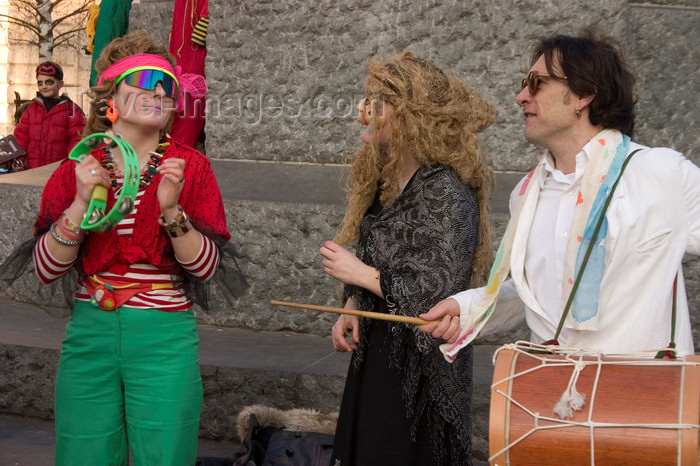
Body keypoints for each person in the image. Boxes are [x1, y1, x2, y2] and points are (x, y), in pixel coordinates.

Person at [420, 31, 700, 360]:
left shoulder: (660, 174)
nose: (521, 96)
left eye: (536, 82)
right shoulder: (528, 192)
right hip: (551, 401)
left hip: (640, 400)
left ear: (583, 94)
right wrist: (465, 307)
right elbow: (539, 298)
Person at [31, 31, 233, 465]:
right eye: (143, 84)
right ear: (112, 101)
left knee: (164, 455)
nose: (158, 94)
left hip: (164, 337)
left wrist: (172, 210)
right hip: (90, 334)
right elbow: (46, 270)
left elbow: (208, 270)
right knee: (84, 452)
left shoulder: (191, 166)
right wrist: (81, 204)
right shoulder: (79, 166)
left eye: (166, 86)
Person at [320, 52, 497, 465]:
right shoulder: (387, 177)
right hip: (380, 349)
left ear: (408, 116)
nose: (363, 111)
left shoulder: (447, 190)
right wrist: (353, 303)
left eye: (375, 103)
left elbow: (436, 293)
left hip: (420, 369)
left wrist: (360, 274)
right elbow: (384, 255)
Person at [11, 61, 86, 171]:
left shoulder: (71, 110)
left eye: (49, 82)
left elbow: (77, 140)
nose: (44, 86)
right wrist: (18, 161)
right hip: (33, 172)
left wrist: (72, 164)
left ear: (60, 84)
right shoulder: (32, 110)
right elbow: (21, 139)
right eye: (40, 83)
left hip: (60, 174)